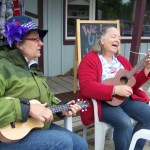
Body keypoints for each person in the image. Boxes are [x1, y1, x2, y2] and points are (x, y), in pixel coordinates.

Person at [0, 15, 88, 150]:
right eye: (35, 39)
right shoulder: (3, 66)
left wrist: (61, 107)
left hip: (35, 126)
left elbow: (45, 99)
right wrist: (27, 108)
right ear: (19, 43)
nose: (41, 43)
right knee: (63, 142)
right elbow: (30, 107)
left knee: (81, 144)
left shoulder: (32, 68)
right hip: (8, 136)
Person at [77, 26, 150, 150]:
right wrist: (114, 90)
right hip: (102, 102)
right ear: (102, 40)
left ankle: (134, 148)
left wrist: (146, 71)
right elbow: (86, 86)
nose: (117, 39)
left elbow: (132, 83)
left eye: (119, 37)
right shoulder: (89, 59)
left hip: (124, 99)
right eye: (113, 36)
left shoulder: (121, 60)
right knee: (124, 123)